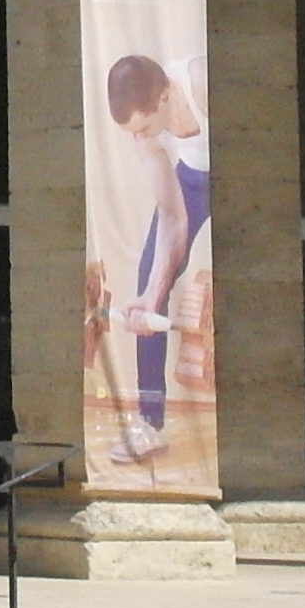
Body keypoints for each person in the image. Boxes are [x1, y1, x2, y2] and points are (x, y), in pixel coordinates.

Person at [105, 52, 214, 451]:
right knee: (150, 273)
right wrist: (152, 296)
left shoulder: (201, 80)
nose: (143, 137)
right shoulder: (142, 135)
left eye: (147, 126)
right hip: (194, 177)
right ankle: (149, 423)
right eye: (135, 132)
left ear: (166, 95)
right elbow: (173, 218)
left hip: (238, 170)